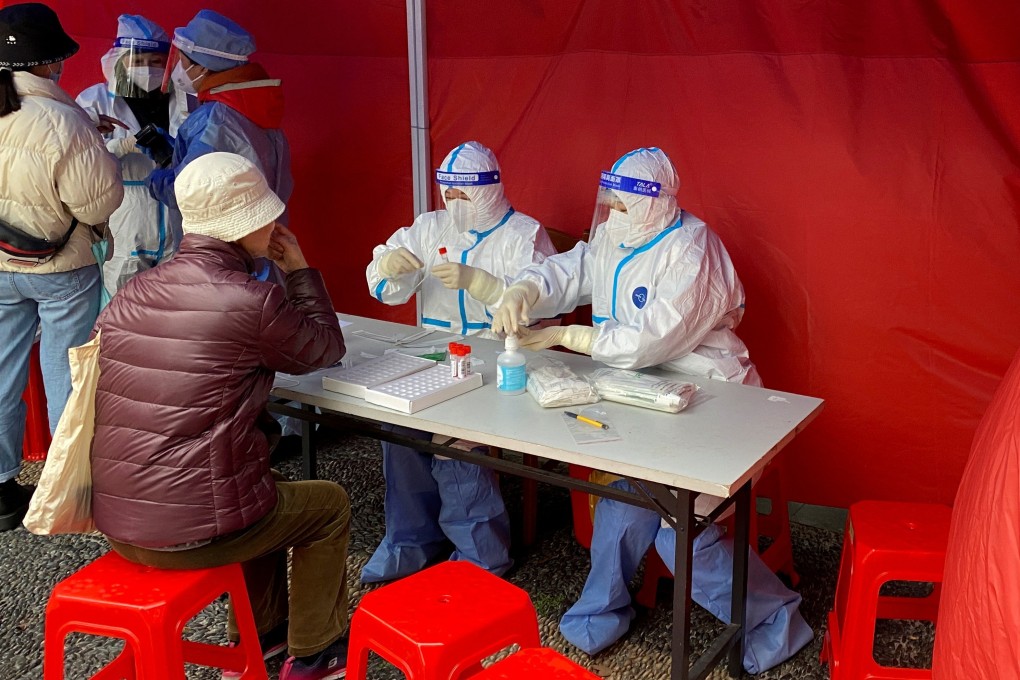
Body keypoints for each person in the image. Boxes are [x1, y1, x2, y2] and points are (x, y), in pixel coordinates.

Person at [492, 147, 812, 673]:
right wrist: (526, 287)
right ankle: (601, 613)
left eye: (621, 206)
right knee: (622, 499)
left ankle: (776, 620)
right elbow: (571, 269)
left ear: (654, 203)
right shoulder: (617, 235)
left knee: (680, 525)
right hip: (644, 395)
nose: (611, 215)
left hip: (714, 399)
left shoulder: (693, 248)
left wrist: (566, 333)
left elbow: (652, 338)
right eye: (608, 204)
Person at [91, 152, 349, 680]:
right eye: (266, 214)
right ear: (246, 224)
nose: (276, 223)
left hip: (119, 521)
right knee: (327, 506)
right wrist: (300, 271)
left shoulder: (135, 290)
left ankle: (260, 639)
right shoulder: (250, 300)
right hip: (191, 530)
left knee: (263, 488)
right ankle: (316, 655)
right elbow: (323, 348)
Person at [362, 140, 556, 583]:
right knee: (397, 425)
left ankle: (480, 553)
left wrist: (483, 284)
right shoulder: (430, 229)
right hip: (433, 353)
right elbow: (384, 283)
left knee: (455, 437)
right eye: (447, 193)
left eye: (464, 194)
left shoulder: (523, 235)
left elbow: (544, 307)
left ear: (489, 190)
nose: (454, 204)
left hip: (499, 360)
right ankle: (409, 540)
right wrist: (389, 265)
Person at [0, 2, 123, 532]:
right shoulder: (64, 120)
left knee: (2, 372)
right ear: (50, 61)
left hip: (1, 266)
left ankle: (3, 488)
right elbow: (97, 206)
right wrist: (95, 144)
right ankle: (67, 489)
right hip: (62, 269)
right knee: (66, 376)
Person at [146, 9, 291, 277]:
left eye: (183, 60)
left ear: (202, 66)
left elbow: (191, 194)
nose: (178, 68)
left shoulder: (214, 118)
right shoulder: (257, 107)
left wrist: (156, 178)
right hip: (262, 247)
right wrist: (177, 151)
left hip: (221, 257)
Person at [77, 15, 183, 297]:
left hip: (178, 213)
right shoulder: (94, 100)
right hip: (125, 214)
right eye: (138, 60)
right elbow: (77, 163)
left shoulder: (183, 100)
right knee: (120, 302)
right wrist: (120, 147)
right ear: (119, 61)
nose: (147, 69)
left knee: (173, 302)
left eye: (156, 61)